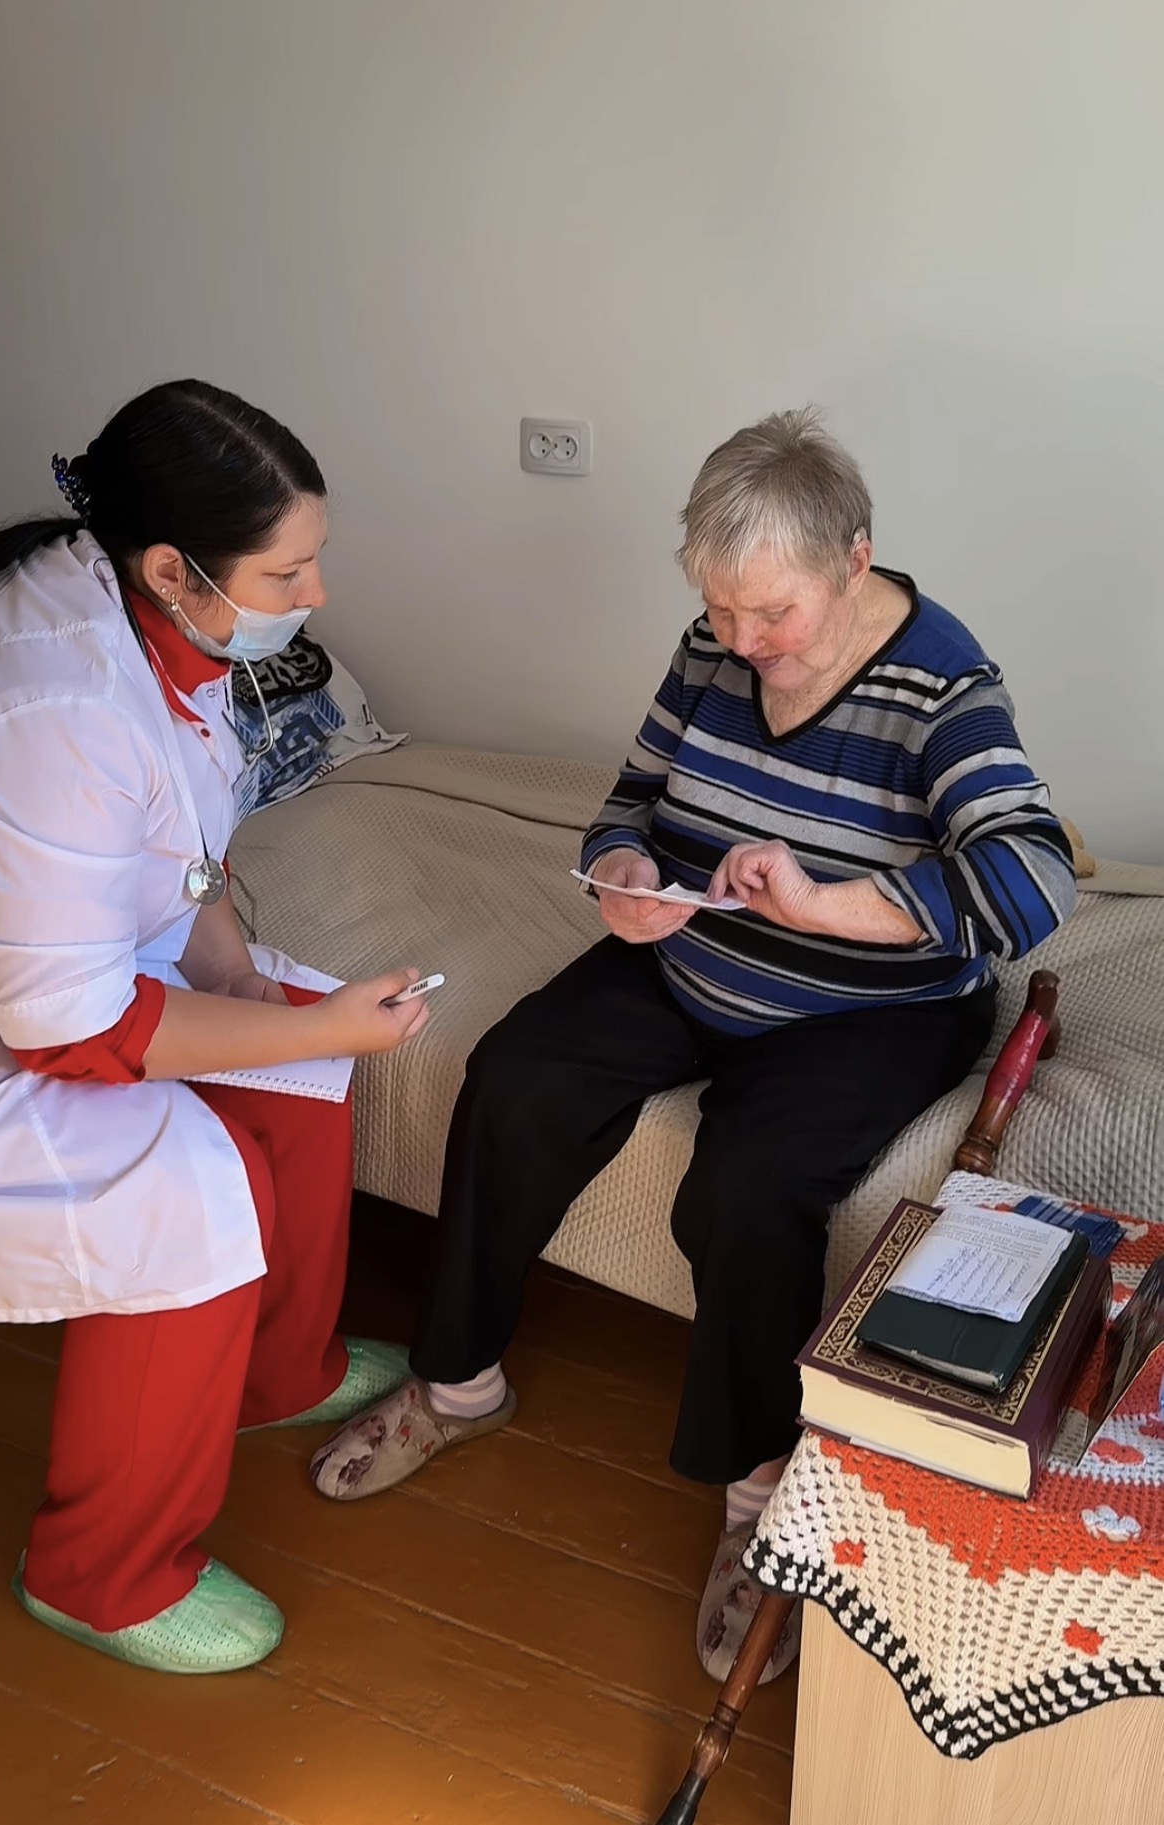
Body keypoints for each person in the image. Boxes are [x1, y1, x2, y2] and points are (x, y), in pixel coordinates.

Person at [310, 409, 1077, 1681]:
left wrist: (827, 905)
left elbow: (1034, 879)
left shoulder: (944, 685)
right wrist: (622, 874)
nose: (743, 640)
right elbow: (633, 800)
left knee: (748, 1186)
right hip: (694, 955)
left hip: (869, 1008)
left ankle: (755, 1492)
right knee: (514, 1077)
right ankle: (458, 1385)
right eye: (718, 608)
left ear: (854, 559)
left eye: (772, 613)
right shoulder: (714, 645)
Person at [0, 380, 429, 1675]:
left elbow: (185, 840)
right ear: (173, 565)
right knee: (182, 1187)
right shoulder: (48, 706)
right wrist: (295, 1027)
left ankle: (279, 1375)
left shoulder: (155, 616)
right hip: (7, 1024)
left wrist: (252, 989)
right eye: (288, 570)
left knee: (302, 1048)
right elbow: (68, 1034)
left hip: (66, 961)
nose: (316, 592)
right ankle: (98, 1577)